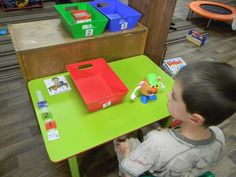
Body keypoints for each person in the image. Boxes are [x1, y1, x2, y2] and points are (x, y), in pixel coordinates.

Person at [114, 61, 236, 177]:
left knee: (120, 138)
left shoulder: (156, 142)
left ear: (194, 119)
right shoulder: (219, 135)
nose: (168, 95)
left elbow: (129, 173)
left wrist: (125, 150)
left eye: (174, 95)